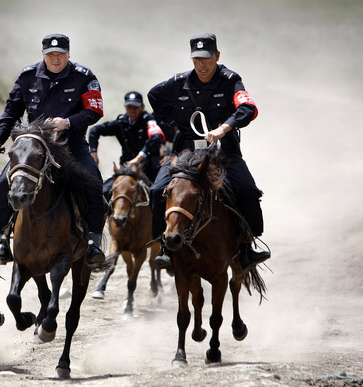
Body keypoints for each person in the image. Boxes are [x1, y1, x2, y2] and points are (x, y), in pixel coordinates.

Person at [147, 33, 270, 270]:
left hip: (223, 153)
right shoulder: (179, 81)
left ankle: (247, 246)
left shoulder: (230, 80)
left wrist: (224, 128)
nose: (201, 65)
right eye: (197, 60)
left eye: (206, 59)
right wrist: (173, 125)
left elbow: (248, 108)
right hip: (185, 153)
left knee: (246, 190)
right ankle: (164, 247)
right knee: (156, 190)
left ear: (217, 56)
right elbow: (154, 95)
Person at [0, 33, 106, 267]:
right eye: (51, 55)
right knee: (2, 184)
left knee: (94, 182)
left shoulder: (84, 76)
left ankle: (93, 243)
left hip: (71, 144)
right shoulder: (28, 76)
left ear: (68, 54)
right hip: (33, 147)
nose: (55, 59)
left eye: (60, 54)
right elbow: (11, 112)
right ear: (43, 54)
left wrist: (68, 122)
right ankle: (1, 239)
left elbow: (95, 111)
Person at [88, 91, 165, 200]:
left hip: (150, 171)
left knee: (158, 193)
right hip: (127, 170)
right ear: (125, 107)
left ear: (142, 107)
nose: (132, 110)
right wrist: (94, 152)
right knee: (103, 192)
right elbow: (94, 130)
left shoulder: (149, 121)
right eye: (129, 107)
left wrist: (139, 157)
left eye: (136, 107)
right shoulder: (121, 123)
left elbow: (157, 136)